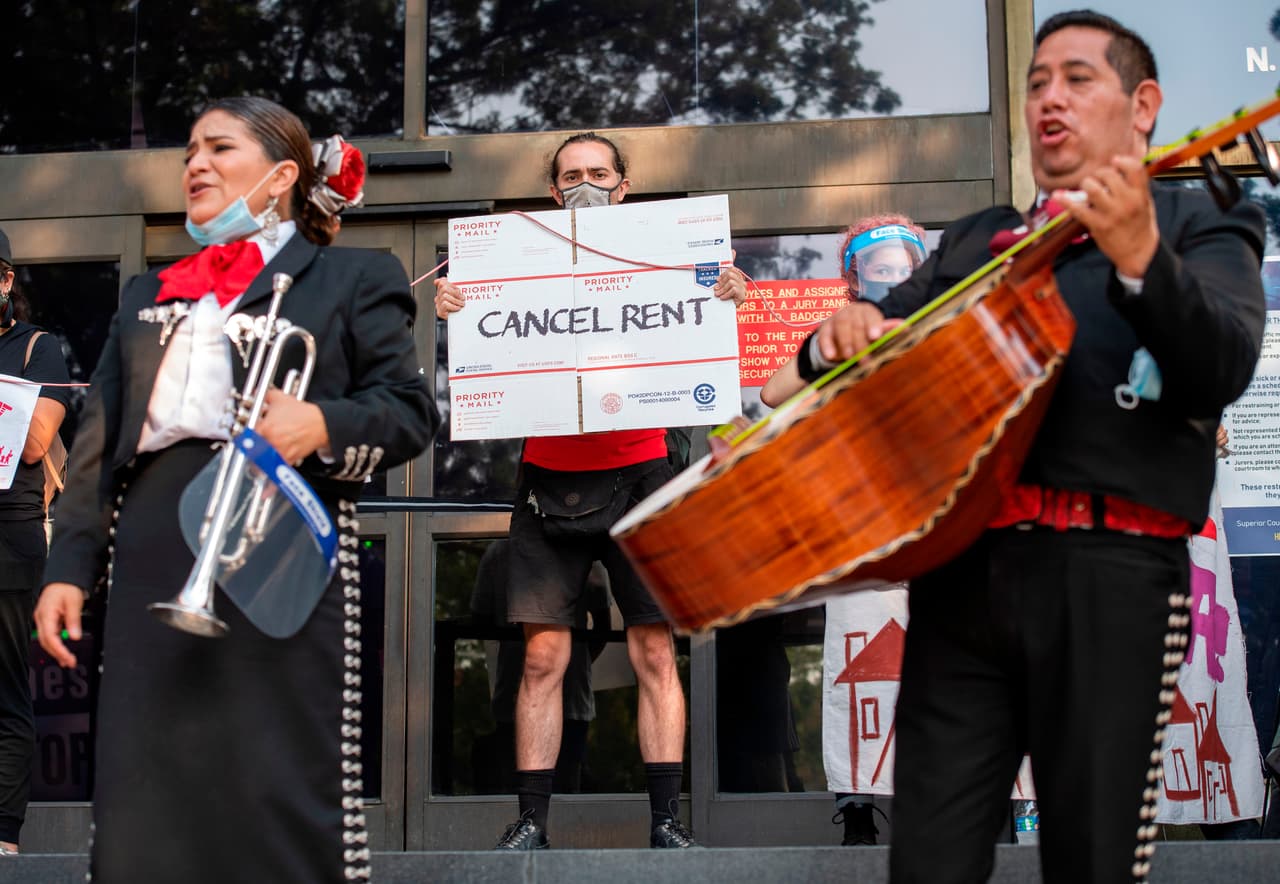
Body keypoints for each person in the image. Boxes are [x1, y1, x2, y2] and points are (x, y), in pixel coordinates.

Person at [799, 11, 1265, 882]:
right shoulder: (979, 240)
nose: (1049, 97)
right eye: (1037, 81)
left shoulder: (1203, 223)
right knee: (929, 864)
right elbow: (863, 354)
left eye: (1078, 78)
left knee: (1092, 861)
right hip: (961, 584)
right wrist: (834, 340)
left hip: (1116, 577)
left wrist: (1140, 262)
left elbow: (1219, 368)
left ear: (1143, 104)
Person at [33, 97, 437, 883]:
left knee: (279, 773)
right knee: (143, 782)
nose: (196, 165)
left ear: (282, 175)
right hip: (153, 543)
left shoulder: (353, 276)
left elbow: (411, 412)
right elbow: (95, 447)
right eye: (189, 150)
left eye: (220, 148)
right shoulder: (147, 296)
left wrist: (320, 421)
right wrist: (65, 567)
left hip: (279, 541)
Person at [434, 131, 746, 850]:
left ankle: (666, 821)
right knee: (542, 657)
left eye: (599, 173)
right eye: (571, 175)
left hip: (642, 473)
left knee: (655, 651)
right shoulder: (510, 259)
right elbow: (484, 343)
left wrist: (731, 291)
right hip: (549, 478)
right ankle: (531, 822)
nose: (585, 183)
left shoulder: (670, 248)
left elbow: (709, 321)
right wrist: (456, 304)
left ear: (624, 185)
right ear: (553, 191)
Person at [0, 229, 72, 856]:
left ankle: (3, 835)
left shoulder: (37, 351)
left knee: (4, 684)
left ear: (5, 284)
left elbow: (31, 443)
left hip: (8, 534)